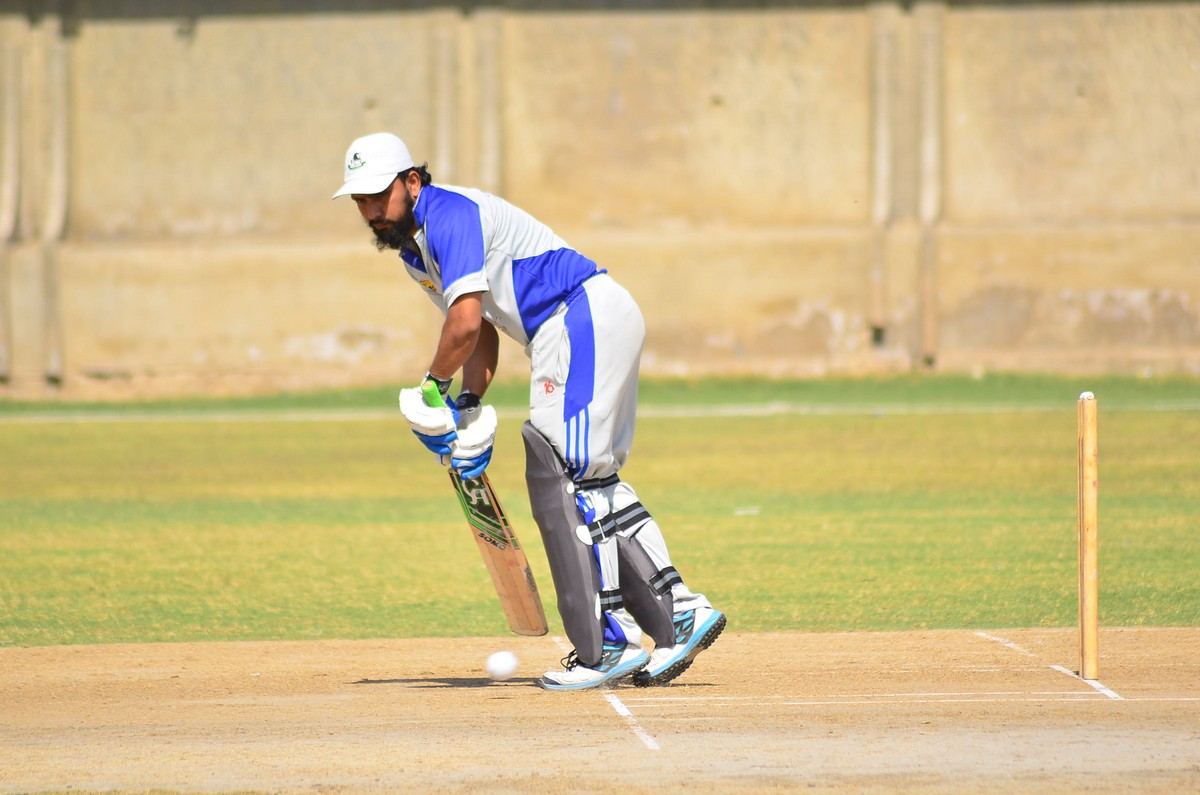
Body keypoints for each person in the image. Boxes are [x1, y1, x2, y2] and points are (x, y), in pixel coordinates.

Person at [333, 132, 725, 690]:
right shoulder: (416, 251)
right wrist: (467, 404)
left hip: (575, 317)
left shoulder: (450, 216)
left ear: (412, 182)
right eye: (361, 200)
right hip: (581, 323)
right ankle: (678, 611)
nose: (371, 210)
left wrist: (431, 388)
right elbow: (482, 331)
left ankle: (611, 643)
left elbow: (464, 324)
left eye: (379, 195)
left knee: (561, 473)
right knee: (584, 475)